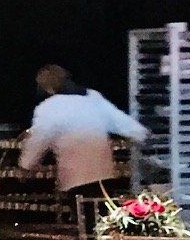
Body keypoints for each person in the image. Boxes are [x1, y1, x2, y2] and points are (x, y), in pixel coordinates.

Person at [19, 64, 148, 200]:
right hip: (105, 176)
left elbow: (38, 140)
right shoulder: (93, 98)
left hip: (76, 180)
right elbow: (121, 122)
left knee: (84, 217)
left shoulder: (48, 108)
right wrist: (144, 134)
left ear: (48, 88)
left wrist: (25, 166)